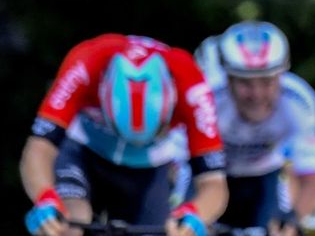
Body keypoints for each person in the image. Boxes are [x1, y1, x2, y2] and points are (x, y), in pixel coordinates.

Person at [19, 34, 227, 236]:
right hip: (85, 151)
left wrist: (195, 214)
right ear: (102, 92)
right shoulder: (86, 62)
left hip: (151, 167)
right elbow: (39, 146)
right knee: (69, 223)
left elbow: (214, 182)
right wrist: (45, 197)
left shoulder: (192, 85)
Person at [204, 21, 315, 235]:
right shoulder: (209, 98)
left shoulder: (299, 102)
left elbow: (310, 178)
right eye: (245, 83)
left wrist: (294, 221)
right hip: (212, 177)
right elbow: (179, 166)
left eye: (267, 81)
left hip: (264, 178)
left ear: (281, 76)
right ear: (228, 78)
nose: (257, 94)